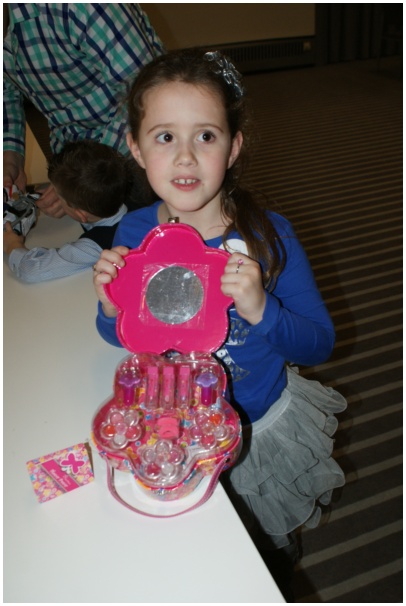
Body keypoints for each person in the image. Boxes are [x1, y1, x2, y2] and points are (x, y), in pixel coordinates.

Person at [92, 49, 347, 601]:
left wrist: (262, 309)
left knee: (261, 550)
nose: (185, 156)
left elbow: (320, 342)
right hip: (172, 429)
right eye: (165, 137)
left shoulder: (268, 236)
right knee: (191, 548)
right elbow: (119, 335)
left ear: (232, 147)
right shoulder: (134, 234)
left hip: (257, 431)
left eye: (205, 136)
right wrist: (110, 308)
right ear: (135, 146)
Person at [3, 3, 164, 218]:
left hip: (137, 152)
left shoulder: (81, 6)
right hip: (74, 157)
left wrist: (79, 177)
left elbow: (150, 95)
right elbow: (7, 93)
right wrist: (10, 157)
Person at [4, 140, 130, 283]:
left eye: (59, 197)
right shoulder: (116, 193)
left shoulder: (96, 246)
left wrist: (12, 245)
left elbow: (32, 270)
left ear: (80, 214)